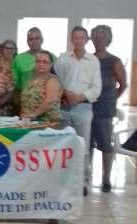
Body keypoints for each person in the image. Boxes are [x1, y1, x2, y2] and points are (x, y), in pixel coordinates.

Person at [54, 26, 102, 196]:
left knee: (82, 145)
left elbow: (97, 89)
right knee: (63, 145)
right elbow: (56, 81)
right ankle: (63, 181)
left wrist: (79, 97)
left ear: (86, 40)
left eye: (82, 37)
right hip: (64, 108)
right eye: (75, 37)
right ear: (71, 39)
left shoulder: (93, 61)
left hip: (83, 108)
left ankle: (83, 182)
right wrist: (66, 94)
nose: (78, 40)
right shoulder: (62, 59)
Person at [90, 25, 127, 192]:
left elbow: (123, 84)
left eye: (102, 36)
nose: (98, 38)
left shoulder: (114, 60)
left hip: (105, 109)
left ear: (108, 38)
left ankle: (106, 179)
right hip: (87, 106)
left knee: (105, 143)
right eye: (95, 35)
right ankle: (86, 177)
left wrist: (111, 99)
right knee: (87, 143)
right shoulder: (88, 59)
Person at [21, 51, 62, 122]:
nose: (41, 64)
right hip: (29, 121)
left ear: (51, 64)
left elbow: (50, 100)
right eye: (38, 61)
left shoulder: (52, 80)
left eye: (45, 62)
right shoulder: (33, 79)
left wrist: (34, 114)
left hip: (47, 122)